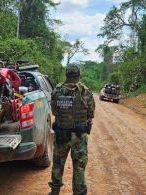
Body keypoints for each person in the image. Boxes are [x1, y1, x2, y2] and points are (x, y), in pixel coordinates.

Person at [48, 64, 95, 195]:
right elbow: (90, 115)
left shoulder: (57, 91)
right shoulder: (86, 92)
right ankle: (79, 192)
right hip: (79, 136)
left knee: (58, 163)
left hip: (62, 134)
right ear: (79, 75)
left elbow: (54, 111)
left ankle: (54, 191)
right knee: (79, 166)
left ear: (66, 75)